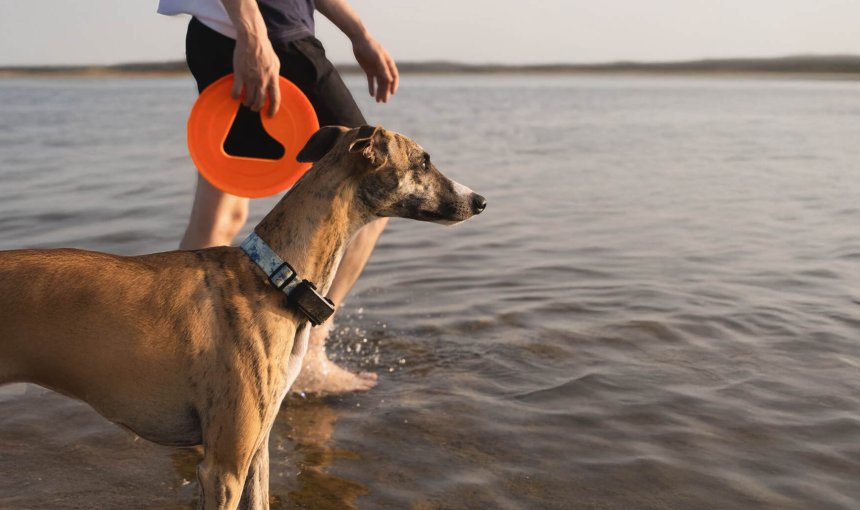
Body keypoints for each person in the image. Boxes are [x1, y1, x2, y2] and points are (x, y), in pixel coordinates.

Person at [157, 0, 399, 394]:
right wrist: (253, 32)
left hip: (224, 33)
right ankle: (306, 353)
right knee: (374, 184)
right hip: (270, 33)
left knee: (223, 212)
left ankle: (177, 363)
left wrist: (358, 33)